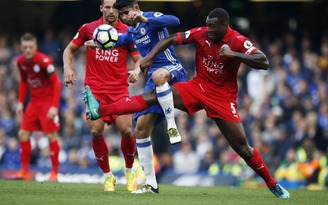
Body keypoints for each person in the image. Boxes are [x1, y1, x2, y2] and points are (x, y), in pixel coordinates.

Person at [84, 8, 291, 198]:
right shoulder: (201, 33)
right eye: (207, 24)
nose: (208, 29)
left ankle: (272, 184)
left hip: (222, 98)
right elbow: (172, 38)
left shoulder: (236, 40)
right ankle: (100, 110)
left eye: (212, 26)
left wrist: (233, 54)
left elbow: (263, 61)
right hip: (197, 87)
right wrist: (148, 58)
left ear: (224, 26)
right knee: (151, 97)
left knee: (242, 148)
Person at [84, 0, 188, 194]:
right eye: (122, 14)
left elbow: (175, 20)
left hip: (173, 70)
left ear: (137, 8)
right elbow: (118, 41)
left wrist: (143, 18)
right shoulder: (131, 33)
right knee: (140, 129)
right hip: (153, 80)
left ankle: (172, 126)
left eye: (127, 13)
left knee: (158, 76)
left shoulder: (151, 17)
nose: (125, 17)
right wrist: (98, 43)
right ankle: (151, 184)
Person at [62, 0, 141, 192]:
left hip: (119, 90)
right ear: (101, 8)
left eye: (115, 7)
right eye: (107, 7)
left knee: (127, 131)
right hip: (94, 90)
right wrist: (67, 67)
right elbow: (69, 50)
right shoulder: (89, 29)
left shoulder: (127, 31)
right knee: (96, 132)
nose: (111, 11)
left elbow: (138, 58)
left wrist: (137, 70)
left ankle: (130, 172)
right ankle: (108, 177)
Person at [15, 32, 62, 182]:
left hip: (48, 102)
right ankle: (24, 172)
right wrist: (20, 102)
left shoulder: (44, 62)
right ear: (21, 48)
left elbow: (57, 83)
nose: (27, 50)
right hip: (34, 102)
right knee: (23, 134)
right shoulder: (20, 62)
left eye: (30, 47)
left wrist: (54, 106)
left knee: (51, 136)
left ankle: (54, 173)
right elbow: (23, 81)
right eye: (25, 47)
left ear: (36, 47)